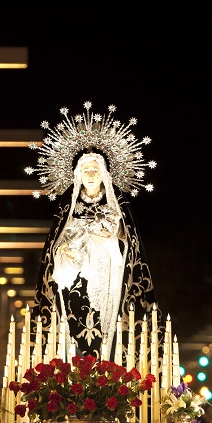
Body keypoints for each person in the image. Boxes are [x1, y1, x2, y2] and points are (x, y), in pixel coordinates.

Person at [31, 104, 156, 361]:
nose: (90, 175)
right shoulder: (67, 211)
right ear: (77, 175)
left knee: (106, 329)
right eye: (85, 171)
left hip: (108, 279)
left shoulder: (118, 210)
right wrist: (65, 250)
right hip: (74, 282)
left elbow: (129, 250)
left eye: (95, 171)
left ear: (105, 176)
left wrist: (109, 239)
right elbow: (55, 249)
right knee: (75, 331)